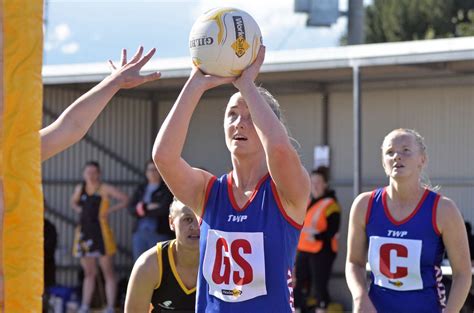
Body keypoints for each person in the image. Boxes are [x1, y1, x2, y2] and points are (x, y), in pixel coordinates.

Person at [152, 46, 310, 312]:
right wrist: (195, 82)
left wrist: (246, 85)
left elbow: (280, 150)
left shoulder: (285, 191)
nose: (239, 123)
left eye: (250, 116)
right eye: (232, 115)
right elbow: (163, 156)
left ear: (268, 126)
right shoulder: (208, 190)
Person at [345, 128, 472, 313]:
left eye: (406, 150)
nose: (397, 156)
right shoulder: (365, 205)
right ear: (383, 162)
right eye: (390, 152)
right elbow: (354, 262)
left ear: (422, 159)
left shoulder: (443, 209)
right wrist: (360, 297)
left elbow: (463, 273)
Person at [40, 46, 161, 162]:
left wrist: (116, 81)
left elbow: (71, 126)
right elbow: (71, 126)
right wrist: (115, 81)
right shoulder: (22, 149)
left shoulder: (23, 146)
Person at [71, 161, 129, 313]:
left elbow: (125, 199)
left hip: (101, 233)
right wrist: (79, 209)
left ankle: (110, 306)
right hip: (84, 233)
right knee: (89, 273)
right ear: (84, 174)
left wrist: (109, 211)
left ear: (99, 173)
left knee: (108, 271)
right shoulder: (80, 188)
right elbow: (73, 202)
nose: (91, 175)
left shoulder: (105, 188)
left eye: (94, 172)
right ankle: (85, 305)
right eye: (88, 172)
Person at [124, 198, 200, 312]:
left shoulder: (225, 262)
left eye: (201, 219)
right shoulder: (149, 264)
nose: (196, 226)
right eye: (188, 219)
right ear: (171, 222)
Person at [294, 166, 341, 313]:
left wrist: (317, 236)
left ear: (325, 184)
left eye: (318, 182)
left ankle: (322, 308)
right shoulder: (308, 202)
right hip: (303, 250)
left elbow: (332, 230)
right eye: (312, 182)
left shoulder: (331, 205)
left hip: (322, 251)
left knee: (319, 287)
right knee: (298, 285)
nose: (314, 186)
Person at [128, 160, 174, 261]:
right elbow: (131, 208)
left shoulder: (166, 189)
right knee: (139, 263)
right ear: (146, 172)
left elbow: (164, 209)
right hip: (140, 233)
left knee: (159, 264)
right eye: (150, 170)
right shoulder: (141, 188)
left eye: (155, 170)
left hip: (159, 233)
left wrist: (141, 208)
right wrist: (147, 207)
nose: (152, 172)